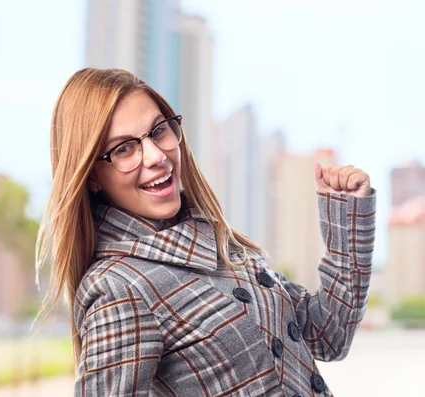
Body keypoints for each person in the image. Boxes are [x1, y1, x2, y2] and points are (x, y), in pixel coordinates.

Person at [36, 68, 376, 396]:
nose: (156, 156)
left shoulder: (221, 243)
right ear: (91, 176)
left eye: (157, 132)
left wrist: (347, 215)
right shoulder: (118, 288)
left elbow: (328, 336)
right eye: (124, 148)